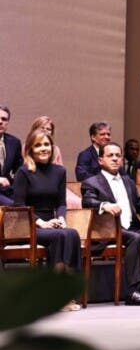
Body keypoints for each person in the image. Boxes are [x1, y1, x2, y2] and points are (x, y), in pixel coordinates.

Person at [81, 142, 140, 306]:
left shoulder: (128, 181)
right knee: (135, 238)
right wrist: (104, 205)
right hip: (108, 230)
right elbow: (87, 201)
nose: (114, 159)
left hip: (132, 226)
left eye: (118, 156)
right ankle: (131, 291)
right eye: (110, 155)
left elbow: (139, 204)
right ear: (100, 160)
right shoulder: (92, 182)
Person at [12, 129, 82, 310]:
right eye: (38, 145)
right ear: (30, 149)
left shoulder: (59, 171)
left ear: (52, 147)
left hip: (51, 223)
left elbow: (60, 202)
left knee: (71, 233)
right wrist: (41, 222)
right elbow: (19, 205)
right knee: (61, 236)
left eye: (46, 144)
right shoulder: (24, 172)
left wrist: (61, 218)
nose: (43, 148)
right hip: (29, 224)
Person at [0, 105, 23, 207]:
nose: (0, 122)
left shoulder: (14, 142)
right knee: (15, 207)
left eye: (4, 119)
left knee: (29, 204)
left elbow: (19, 169)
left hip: (7, 190)